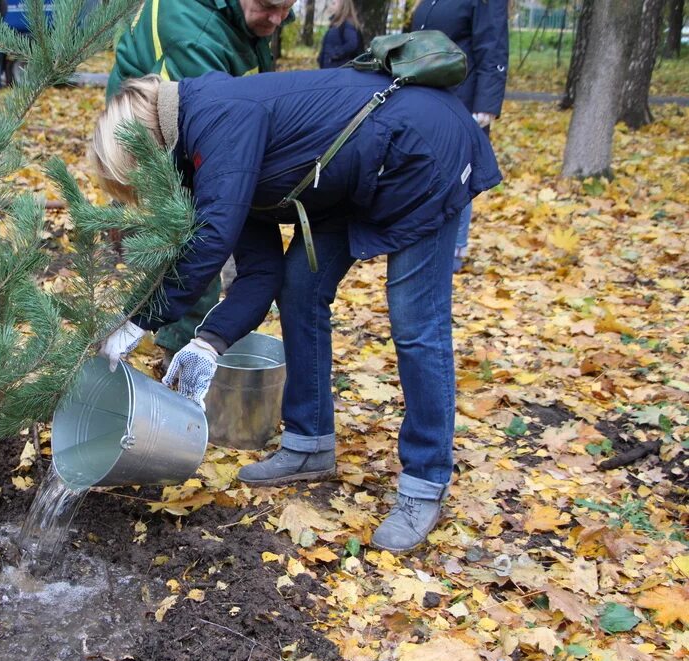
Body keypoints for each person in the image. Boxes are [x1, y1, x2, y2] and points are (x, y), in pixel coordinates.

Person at [93, 69, 501, 553]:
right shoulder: (207, 161)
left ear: (145, 149)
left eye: (137, 180)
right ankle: (310, 443)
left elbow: (212, 238)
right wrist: (209, 342)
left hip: (423, 152)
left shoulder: (215, 117)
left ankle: (424, 483)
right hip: (358, 178)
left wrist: (138, 320)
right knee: (299, 286)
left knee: (416, 321)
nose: (148, 195)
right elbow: (258, 273)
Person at [105, 0, 294, 368]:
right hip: (149, 143)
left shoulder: (245, 18)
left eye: (287, 8)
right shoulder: (194, 36)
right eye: (268, 7)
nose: (278, 19)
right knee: (197, 236)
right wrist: (140, 322)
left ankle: (181, 341)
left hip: (215, 136)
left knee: (224, 237)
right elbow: (210, 204)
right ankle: (174, 348)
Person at [410, 0, 508, 270]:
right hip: (428, 96)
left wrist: (486, 105)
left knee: (457, 176)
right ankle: (425, 239)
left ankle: (454, 249)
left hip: (462, 98)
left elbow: (493, 44)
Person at [317, 0, 363, 69]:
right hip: (330, 69)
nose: (332, 5)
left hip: (339, 70)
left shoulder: (347, 24)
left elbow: (352, 44)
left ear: (342, 5)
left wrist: (335, 54)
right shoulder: (336, 23)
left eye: (334, 3)